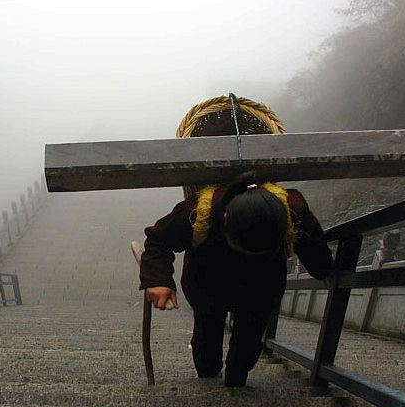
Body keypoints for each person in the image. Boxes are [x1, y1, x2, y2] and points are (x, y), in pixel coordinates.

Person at [139, 95, 335, 387]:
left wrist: (326, 272)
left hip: (262, 286)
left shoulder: (292, 208)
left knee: (250, 339)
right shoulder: (200, 210)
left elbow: (312, 244)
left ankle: (236, 380)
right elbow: (157, 241)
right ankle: (208, 374)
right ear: (226, 220)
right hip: (209, 282)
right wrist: (158, 279)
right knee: (207, 333)